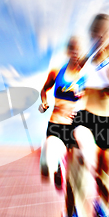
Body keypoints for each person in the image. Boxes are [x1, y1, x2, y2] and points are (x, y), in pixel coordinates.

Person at [69, 13, 109, 217]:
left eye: (105, 32)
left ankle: (102, 212)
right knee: (79, 164)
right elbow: (72, 84)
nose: (100, 36)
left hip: (108, 121)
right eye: (97, 32)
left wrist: (108, 70)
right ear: (92, 33)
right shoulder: (84, 60)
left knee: (103, 179)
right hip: (84, 118)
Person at [39, 37, 85, 190]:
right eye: (72, 48)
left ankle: (73, 206)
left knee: (78, 169)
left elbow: (90, 100)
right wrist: (44, 103)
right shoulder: (56, 72)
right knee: (45, 169)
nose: (75, 52)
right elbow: (44, 89)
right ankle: (57, 164)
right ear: (68, 51)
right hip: (56, 123)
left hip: (74, 126)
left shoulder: (86, 77)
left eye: (78, 49)